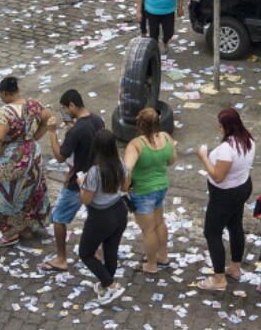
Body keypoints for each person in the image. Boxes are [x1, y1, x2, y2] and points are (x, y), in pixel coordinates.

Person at [40, 89, 105, 272]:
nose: (65, 113)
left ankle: (61, 258)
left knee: (59, 218)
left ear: (72, 105)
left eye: (65, 109)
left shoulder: (76, 130)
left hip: (78, 181)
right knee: (94, 214)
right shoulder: (97, 120)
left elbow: (61, 156)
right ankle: (96, 252)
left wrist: (52, 133)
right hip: (96, 177)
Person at [0, 76, 52, 247]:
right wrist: (35, 137)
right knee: (29, 190)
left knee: (5, 192)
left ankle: (10, 233)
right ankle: (27, 228)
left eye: (1, 95)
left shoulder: (5, 112)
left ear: (6, 93)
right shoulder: (34, 105)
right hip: (32, 155)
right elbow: (48, 116)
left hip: (13, 158)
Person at [196, 107, 256, 290]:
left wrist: (204, 157)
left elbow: (217, 176)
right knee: (234, 224)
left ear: (227, 127)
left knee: (212, 232)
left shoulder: (226, 150)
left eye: (220, 125)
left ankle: (219, 279)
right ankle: (235, 267)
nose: (218, 127)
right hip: (242, 187)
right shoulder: (249, 139)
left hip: (225, 194)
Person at [79, 128, 129, 306]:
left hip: (101, 216)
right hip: (119, 211)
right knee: (111, 250)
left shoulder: (94, 171)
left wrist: (81, 185)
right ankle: (105, 285)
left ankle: (111, 284)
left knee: (85, 253)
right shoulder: (121, 163)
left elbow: (86, 199)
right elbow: (125, 187)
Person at [123, 107, 176, 275]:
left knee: (148, 229)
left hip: (142, 190)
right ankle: (163, 256)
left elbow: (126, 170)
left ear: (139, 123)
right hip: (161, 186)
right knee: (159, 223)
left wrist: (125, 187)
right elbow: (172, 159)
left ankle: (151, 264)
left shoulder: (136, 145)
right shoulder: (166, 137)